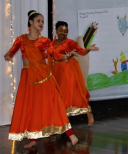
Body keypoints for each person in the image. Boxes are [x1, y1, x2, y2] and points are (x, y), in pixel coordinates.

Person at [3, 10, 78, 148]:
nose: (41, 24)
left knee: (54, 104)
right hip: (28, 77)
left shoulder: (45, 41)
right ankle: (33, 137)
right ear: (31, 22)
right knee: (31, 107)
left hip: (43, 77)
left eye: (42, 21)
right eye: (38, 21)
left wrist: (66, 56)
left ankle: (71, 134)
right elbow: (10, 53)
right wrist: (7, 55)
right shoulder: (21, 39)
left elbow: (55, 55)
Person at [49, 21, 98, 125]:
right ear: (56, 31)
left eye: (66, 31)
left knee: (73, 94)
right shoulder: (52, 44)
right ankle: (61, 121)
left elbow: (81, 51)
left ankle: (88, 113)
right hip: (57, 72)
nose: (63, 33)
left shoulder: (69, 43)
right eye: (61, 30)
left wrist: (87, 49)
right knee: (58, 95)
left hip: (68, 71)